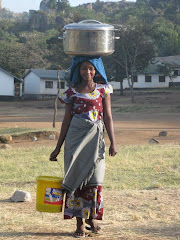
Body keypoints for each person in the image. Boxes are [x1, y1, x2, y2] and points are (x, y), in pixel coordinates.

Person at [50, 56, 117, 238]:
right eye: (83, 68)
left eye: (91, 68)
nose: (87, 72)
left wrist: (113, 142)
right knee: (77, 180)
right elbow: (66, 122)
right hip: (75, 141)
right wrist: (57, 148)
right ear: (77, 71)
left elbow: (108, 117)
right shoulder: (71, 93)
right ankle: (79, 224)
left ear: (96, 71)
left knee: (95, 180)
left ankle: (91, 218)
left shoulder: (103, 90)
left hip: (96, 141)